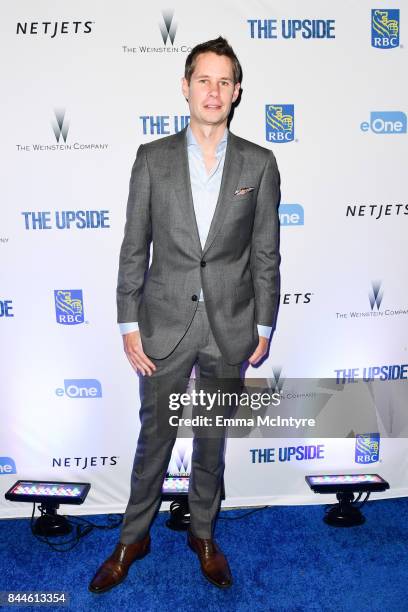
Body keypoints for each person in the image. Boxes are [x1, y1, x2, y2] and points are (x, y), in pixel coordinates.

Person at [89, 36, 280, 593]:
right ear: (185, 87)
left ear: (237, 91)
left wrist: (263, 325)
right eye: (204, 79)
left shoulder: (260, 163)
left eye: (224, 81)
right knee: (157, 437)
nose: (213, 91)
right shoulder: (151, 159)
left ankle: (203, 533)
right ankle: (132, 537)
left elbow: (265, 251)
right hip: (163, 325)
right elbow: (134, 246)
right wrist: (128, 324)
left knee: (213, 440)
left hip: (231, 326)